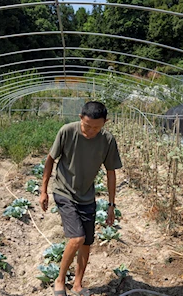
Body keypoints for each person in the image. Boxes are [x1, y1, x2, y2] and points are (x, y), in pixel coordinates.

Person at [39, 101, 123, 296]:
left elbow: (111, 172)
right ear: (80, 118)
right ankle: (60, 280)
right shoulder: (67, 131)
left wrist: (111, 205)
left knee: (87, 242)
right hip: (64, 190)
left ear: (105, 123)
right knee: (77, 238)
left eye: (96, 127)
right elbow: (50, 159)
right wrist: (43, 190)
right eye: (87, 126)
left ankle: (78, 284)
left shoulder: (107, 140)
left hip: (87, 195)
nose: (90, 131)